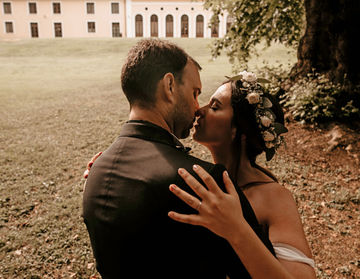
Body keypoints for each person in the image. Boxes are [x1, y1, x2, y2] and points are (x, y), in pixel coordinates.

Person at [82, 39, 275, 279]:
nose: (197, 107)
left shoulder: (95, 173)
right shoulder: (207, 185)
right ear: (169, 86)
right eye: (195, 93)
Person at [166, 73, 317, 278]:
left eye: (215, 107)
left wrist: (235, 228)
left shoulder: (274, 197)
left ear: (238, 129)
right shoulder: (204, 181)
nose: (198, 111)